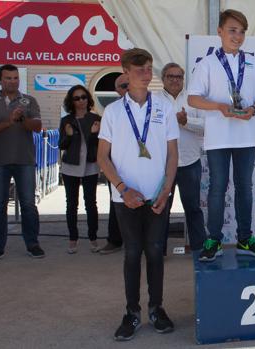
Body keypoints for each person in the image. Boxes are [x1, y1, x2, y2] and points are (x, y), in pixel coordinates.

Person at [98, 48, 179, 340]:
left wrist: (167, 189)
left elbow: (172, 153)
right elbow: (102, 158)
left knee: (155, 252)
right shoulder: (113, 111)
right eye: (140, 69)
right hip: (126, 198)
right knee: (132, 253)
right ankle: (132, 312)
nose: (146, 74)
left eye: (149, 68)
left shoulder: (164, 107)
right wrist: (122, 188)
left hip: (158, 196)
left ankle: (156, 308)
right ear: (126, 73)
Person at [188, 9, 255, 261]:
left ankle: (245, 238)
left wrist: (254, 109)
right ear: (220, 32)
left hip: (246, 136)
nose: (237, 36)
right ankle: (214, 239)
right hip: (218, 138)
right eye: (232, 30)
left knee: (245, 188)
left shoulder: (254, 63)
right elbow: (193, 98)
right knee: (217, 188)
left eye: (242, 31)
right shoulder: (207, 63)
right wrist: (220, 107)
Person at [0, 64, 44, 263]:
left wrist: (22, 118)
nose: (12, 81)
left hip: (24, 160)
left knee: (28, 204)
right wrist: (9, 121)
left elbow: (37, 127)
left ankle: (32, 243)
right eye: (8, 78)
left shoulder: (29, 100)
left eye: (15, 78)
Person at [157, 62, 206, 252]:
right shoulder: (153, 100)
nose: (175, 80)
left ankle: (199, 249)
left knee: (193, 208)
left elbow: (206, 126)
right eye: (171, 76)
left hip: (189, 162)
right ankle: (157, 249)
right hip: (163, 164)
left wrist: (186, 121)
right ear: (163, 79)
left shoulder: (194, 100)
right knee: (161, 209)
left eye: (179, 76)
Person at [59, 85, 102, 254]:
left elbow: (100, 145)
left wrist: (93, 134)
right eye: (77, 98)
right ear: (71, 101)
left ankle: (93, 237)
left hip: (90, 165)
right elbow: (61, 145)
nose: (81, 101)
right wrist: (69, 135)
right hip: (70, 166)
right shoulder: (66, 120)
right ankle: (73, 239)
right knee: (72, 204)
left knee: (91, 203)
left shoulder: (96, 119)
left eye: (83, 97)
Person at [99, 73, 129, 255]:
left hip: (144, 165)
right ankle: (115, 240)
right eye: (123, 86)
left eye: (129, 84)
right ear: (117, 90)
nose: (127, 88)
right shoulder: (112, 111)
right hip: (118, 166)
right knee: (116, 204)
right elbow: (104, 148)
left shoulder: (153, 105)